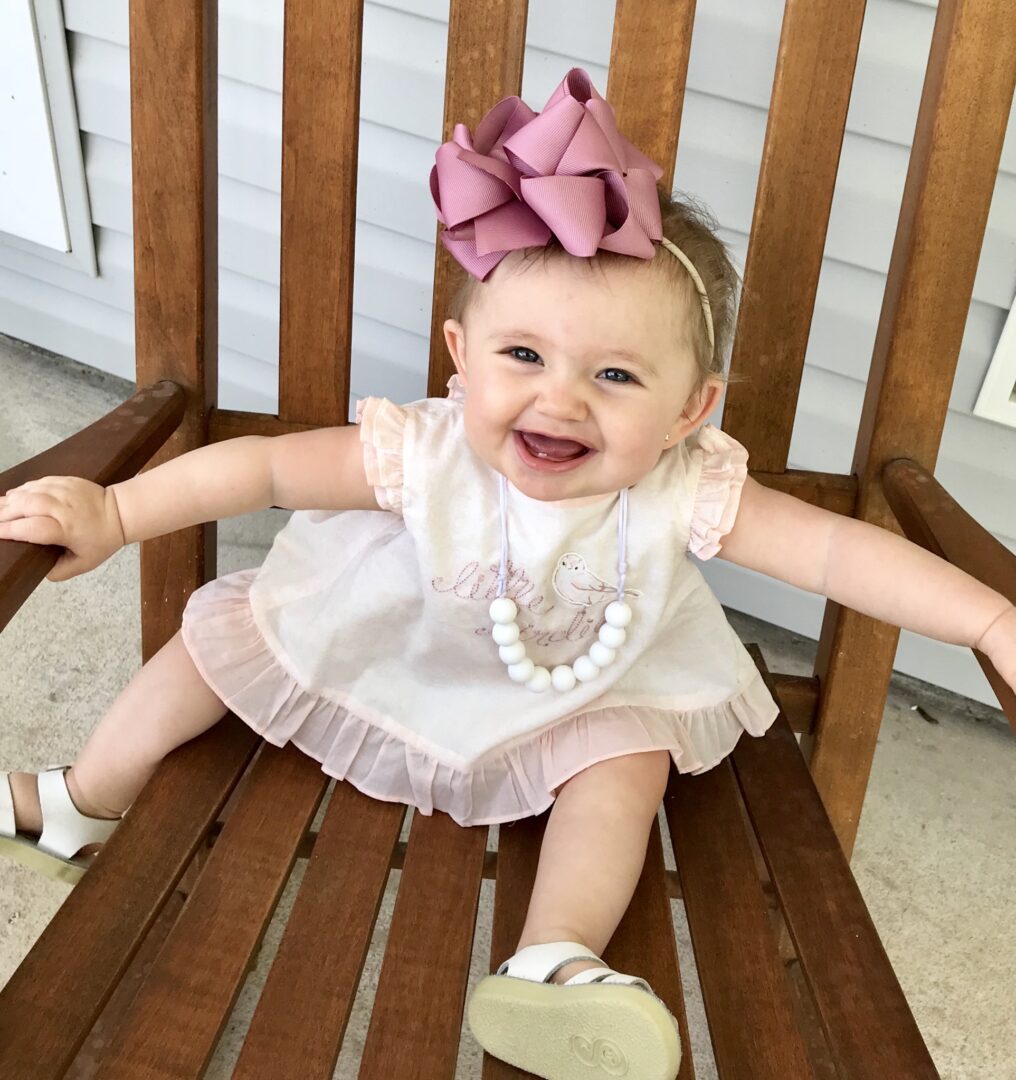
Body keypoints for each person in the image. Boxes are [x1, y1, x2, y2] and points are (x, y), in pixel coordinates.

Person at [1, 67, 1014, 1080]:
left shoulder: (686, 487)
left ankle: (552, 955)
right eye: (521, 354)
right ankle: (86, 795)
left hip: (577, 692)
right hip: (383, 635)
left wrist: (984, 623)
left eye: (614, 375)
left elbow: (839, 552)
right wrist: (117, 510)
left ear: (687, 412)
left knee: (624, 768)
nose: (559, 400)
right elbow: (265, 467)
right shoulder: (423, 450)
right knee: (217, 642)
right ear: (460, 356)